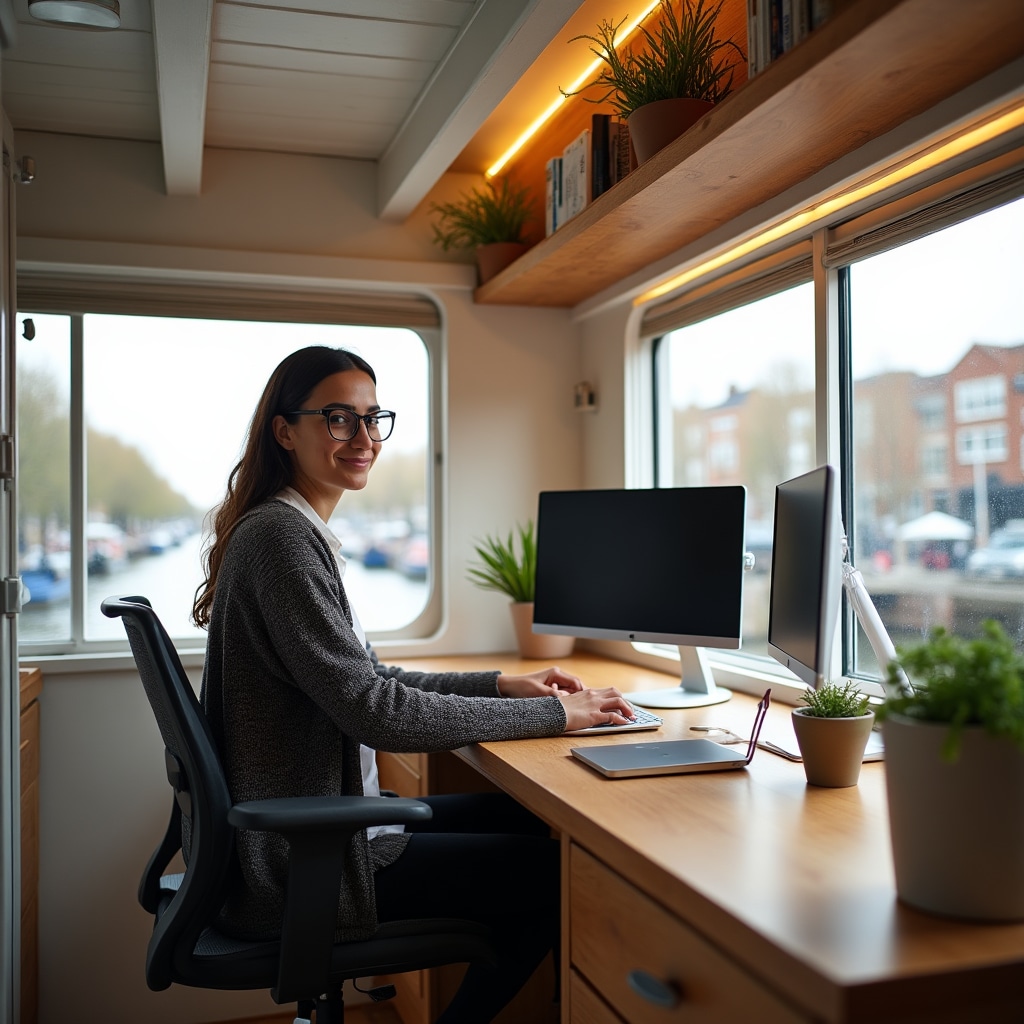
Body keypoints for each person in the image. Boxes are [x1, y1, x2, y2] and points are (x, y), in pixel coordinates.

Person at [191, 345, 634, 1023]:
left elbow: (367, 680)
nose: (364, 439)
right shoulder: (281, 541)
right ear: (285, 432)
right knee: (555, 879)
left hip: (321, 836)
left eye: (374, 418)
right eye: (338, 419)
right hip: (303, 864)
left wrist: (502, 685)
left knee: (523, 821)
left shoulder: (292, 530)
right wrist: (559, 717)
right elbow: (378, 714)